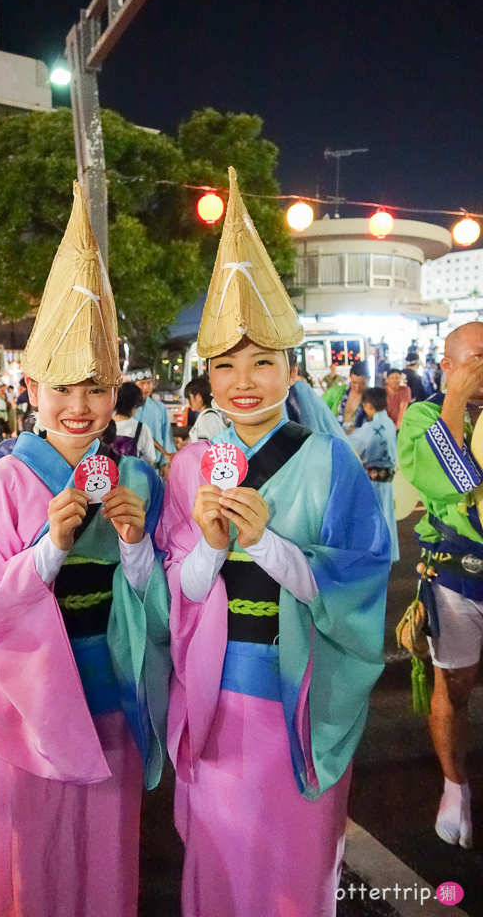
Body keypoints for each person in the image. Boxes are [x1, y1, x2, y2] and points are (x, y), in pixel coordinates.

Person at [156, 167, 390, 917]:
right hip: (216, 693)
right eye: (226, 365)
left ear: (292, 366)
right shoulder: (190, 465)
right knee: (221, 867)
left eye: (262, 361)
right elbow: (182, 592)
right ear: (207, 377)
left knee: (292, 870)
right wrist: (214, 545)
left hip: (298, 698)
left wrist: (273, 546)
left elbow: (360, 582)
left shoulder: (332, 461)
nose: (244, 381)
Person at [0, 181, 171, 917]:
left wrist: (137, 552)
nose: (79, 407)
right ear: (33, 390)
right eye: (63, 389)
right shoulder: (4, 483)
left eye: (97, 389)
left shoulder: (136, 477)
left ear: (117, 395)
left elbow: (172, 606)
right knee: (32, 868)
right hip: (29, 714)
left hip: (109, 700)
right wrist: (47, 552)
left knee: (107, 868)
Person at [398, 321, 483, 850]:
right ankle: (455, 785)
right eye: (474, 357)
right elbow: (453, 478)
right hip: (456, 572)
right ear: (448, 365)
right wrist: (455, 401)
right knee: (455, 683)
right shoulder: (424, 416)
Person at [348, 387, 399, 561]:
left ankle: (374, 558)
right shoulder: (390, 424)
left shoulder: (370, 428)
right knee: (386, 518)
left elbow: (350, 446)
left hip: (373, 482)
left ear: (367, 405)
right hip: (387, 481)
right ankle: (386, 556)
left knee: (372, 521)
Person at [131, 367, 176, 477]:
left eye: (149, 383)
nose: (146, 387)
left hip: (155, 468)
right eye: (142, 383)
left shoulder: (159, 407)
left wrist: (165, 463)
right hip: (132, 467)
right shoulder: (126, 408)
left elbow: (166, 436)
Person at [112, 381, 156, 464]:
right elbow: (150, 460)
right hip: (131, 476)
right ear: (136, 405)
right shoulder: (141, 428)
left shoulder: (104, 425)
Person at [321, 359, 369, 433]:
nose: (357, 387)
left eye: (362, 383)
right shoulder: (335, 392)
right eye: (354, 382)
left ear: (368, 380)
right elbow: (319, 410)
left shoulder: (372, 397)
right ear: (350, 378)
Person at [184, 375, 226, 442]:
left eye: (189, 398)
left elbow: (203, 448)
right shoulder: (209, 416)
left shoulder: (207, 419)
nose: (188, 404)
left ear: (198, 397)